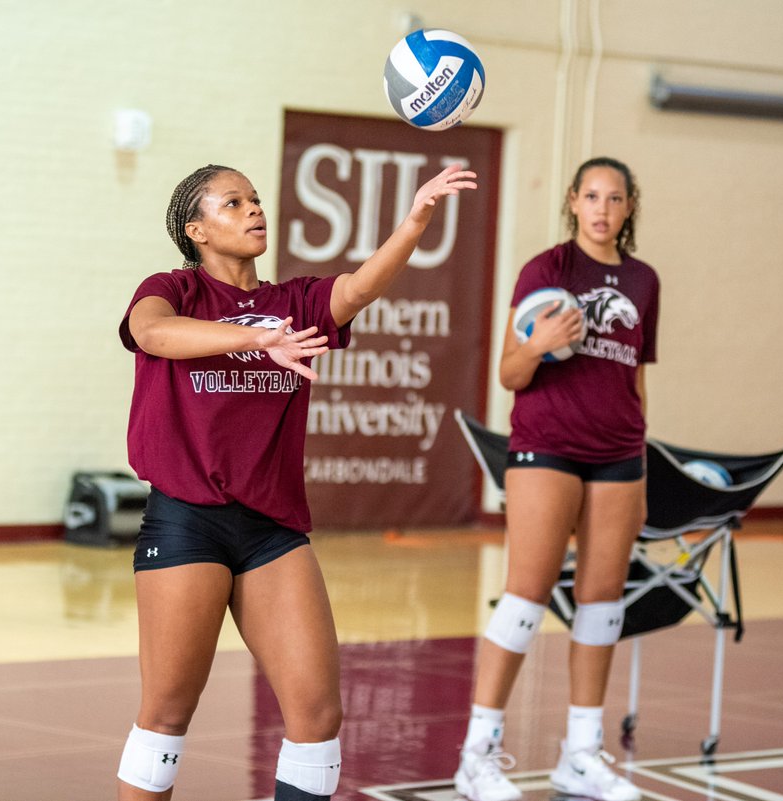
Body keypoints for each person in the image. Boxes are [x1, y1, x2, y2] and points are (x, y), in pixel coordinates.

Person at [116, 162, 478, 801]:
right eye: (234, 203)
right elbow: (151, 333)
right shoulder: (173, 289)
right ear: (196, 228)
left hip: (271, 529)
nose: (255, 209)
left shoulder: (296, 303)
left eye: (255, 199)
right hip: (186, 519)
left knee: (317, 717)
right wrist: (255, 344)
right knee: (168, 714)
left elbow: (361, 290)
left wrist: (418, 215)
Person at [452, 157, 658, 801]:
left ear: (629, 207)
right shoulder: (547, 270)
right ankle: (476, 755)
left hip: (620, 455)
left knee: (601, 607)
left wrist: (638, 444)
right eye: (591, 196)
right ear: (572, 202)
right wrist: (539, 341)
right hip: (548, 447)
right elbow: (510, 375)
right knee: (525, 599)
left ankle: (581, 755)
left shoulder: (646, 281)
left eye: (614, 198)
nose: (601, 208)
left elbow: (637, 378)